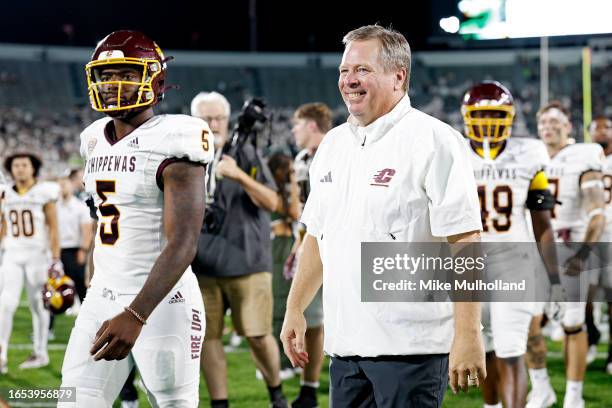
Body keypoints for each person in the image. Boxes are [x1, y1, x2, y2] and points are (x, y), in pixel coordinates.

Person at [281, 25, 486, 407]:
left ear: (398, 76)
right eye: (344, 70)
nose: (349, 81)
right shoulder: (332, 145)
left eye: (362, 70)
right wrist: (295, 308)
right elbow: (318, 236)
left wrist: (469, 332)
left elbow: (465, 241)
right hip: (345, 350)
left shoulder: (435, 141)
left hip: (411, 351)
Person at [58, 30, 212, 407]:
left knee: (173, 403)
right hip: (103, 296)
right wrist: (95, 273)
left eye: (125, 73)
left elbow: (183, 243)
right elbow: (104, 214)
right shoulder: (92, 138)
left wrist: (136, 313)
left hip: (162, 303)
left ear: (154, 78)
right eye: (106, 75)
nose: (112, 85)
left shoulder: (177, 136)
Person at [461, 81, 558, 408]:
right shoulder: (452, 152)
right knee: (484, 348)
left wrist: (554, 279)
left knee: (512, 350)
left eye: (495, 113)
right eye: (481, 113)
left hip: (513, 262)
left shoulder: (529, 153)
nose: (488, 120)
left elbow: (542, 223)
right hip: (467, 266)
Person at [191, 92, 288, 408]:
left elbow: (273, 202)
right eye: (207, 118)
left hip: (248, 261)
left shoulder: (244, 152)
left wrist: (239, 175)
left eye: (219, 117)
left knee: (259, 336)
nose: (214, 124)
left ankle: (276, 393)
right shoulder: (188, 157)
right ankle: (220, 403)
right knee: (209, 338)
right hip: (202, 263)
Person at [526, 101, 606, 408]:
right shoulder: (530, 155)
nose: (548, 126)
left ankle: (574, 395)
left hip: (570, 245)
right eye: (543, 122)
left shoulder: (583, 155)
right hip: (534, 249)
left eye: (555, 121)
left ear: (569, 126)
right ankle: (542, 387)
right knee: (528, 323)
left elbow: (596, 212)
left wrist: (584, 253)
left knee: (573, 323)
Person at [286, 102, 332, 407]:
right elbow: (303, 211)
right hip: (311, 242)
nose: (293, 130)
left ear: (312, 125)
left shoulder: (338, 149)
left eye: (298, 125)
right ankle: (310, 386)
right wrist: (299, 242)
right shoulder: (302, 160)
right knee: (312, 315)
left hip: (339, 243)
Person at [0, 153, 60, 373]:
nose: (20, 169)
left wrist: (55, 258)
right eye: (16, 165)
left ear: (33, 168)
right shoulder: (5, 193)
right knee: (6, 303)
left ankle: (40, 352)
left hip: (37, 254)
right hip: (12, 254)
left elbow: (53, 227)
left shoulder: (45, 192)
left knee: (38, 304)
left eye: (24, 165)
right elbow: (4, 223)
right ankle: (2, 353)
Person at [589, 115, 612, 375]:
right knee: (585, 295)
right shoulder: (584, 159)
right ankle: (592, 337)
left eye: (606, 127)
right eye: (596, 128)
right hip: (590, 236)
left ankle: (611, 355)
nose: (601, 132)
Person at [56, 176, 93, 303]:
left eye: (64, 184)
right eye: (60, 185)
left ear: (71, 186)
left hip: (74, 251)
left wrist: (83, 250)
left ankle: (86, 315)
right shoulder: (54, 206)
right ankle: (48, 322)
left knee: (81, 287)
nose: (62, 188)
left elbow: (87, 231)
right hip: (57, 251)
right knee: (54, 287)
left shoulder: (79, 206)